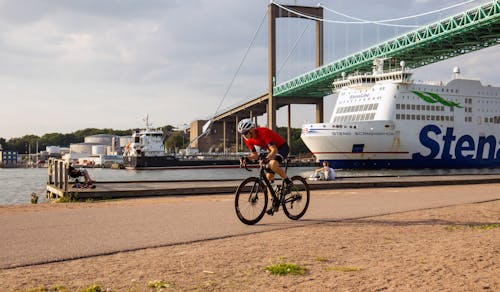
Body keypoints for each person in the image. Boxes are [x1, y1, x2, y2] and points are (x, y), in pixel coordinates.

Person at [238, 118, 292, 214]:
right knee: (268, 179)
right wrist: (246, 158)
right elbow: (255, 155)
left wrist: (266, 159)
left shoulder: (263, 132)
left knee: (272, 164)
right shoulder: (248, 139)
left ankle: (288, 182)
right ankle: (274, 202)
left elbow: (274, 150)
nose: (244, 135)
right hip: (271, 151)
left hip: (281, 148)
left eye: (245, 133)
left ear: (251, 129)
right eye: (242, 133)